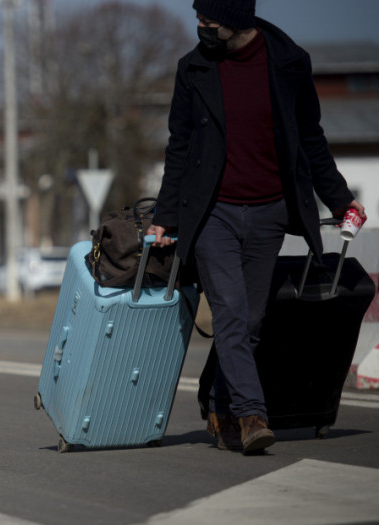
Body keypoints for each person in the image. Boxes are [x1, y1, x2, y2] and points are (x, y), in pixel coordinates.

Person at [147, 0, 365, 455]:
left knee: (250, 321)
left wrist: (341, 199)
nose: (201, 27)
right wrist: (167, 215)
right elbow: (179, 147)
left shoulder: (289, 63)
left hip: (269, 211)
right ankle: (252, 416)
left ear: (237, 20)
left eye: (209, 20)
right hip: (213, 214)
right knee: (229, 313)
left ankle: (216, 402)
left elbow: (311, 140)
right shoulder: (194, 68)